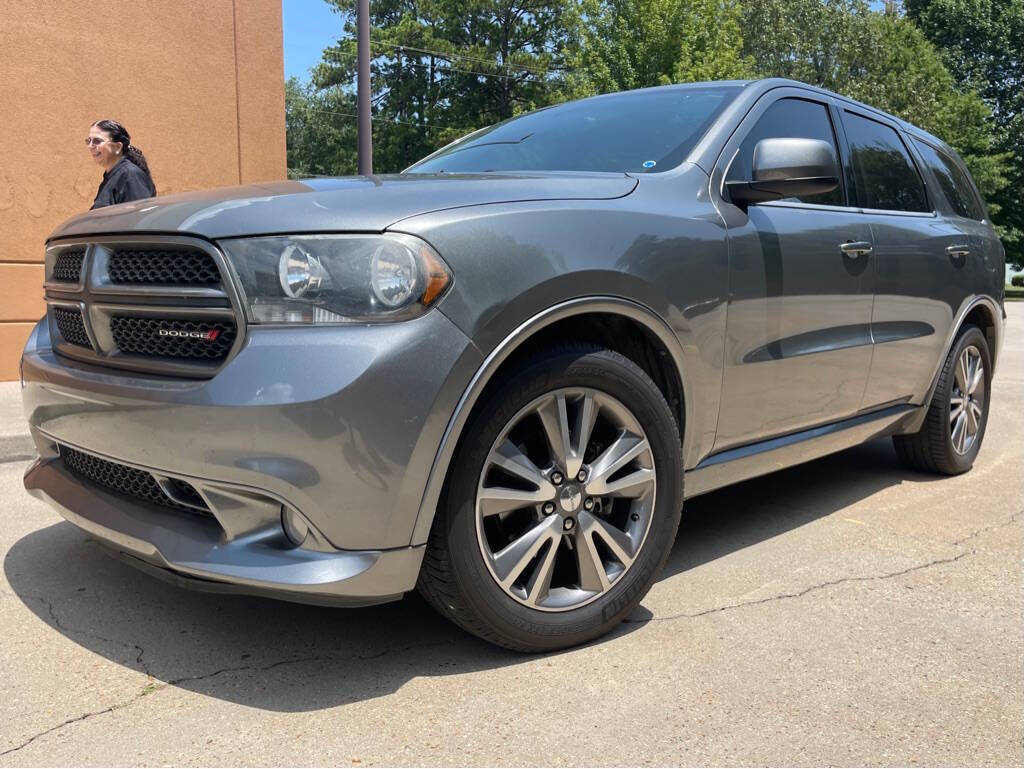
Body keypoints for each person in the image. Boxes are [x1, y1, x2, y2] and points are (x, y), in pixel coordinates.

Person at [86, 119, 156, 209]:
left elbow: (139, 218)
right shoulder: (112, 175)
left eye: (97, 141)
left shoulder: (130, 175)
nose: (90, 146)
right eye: (89, 141)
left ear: (118, 146)